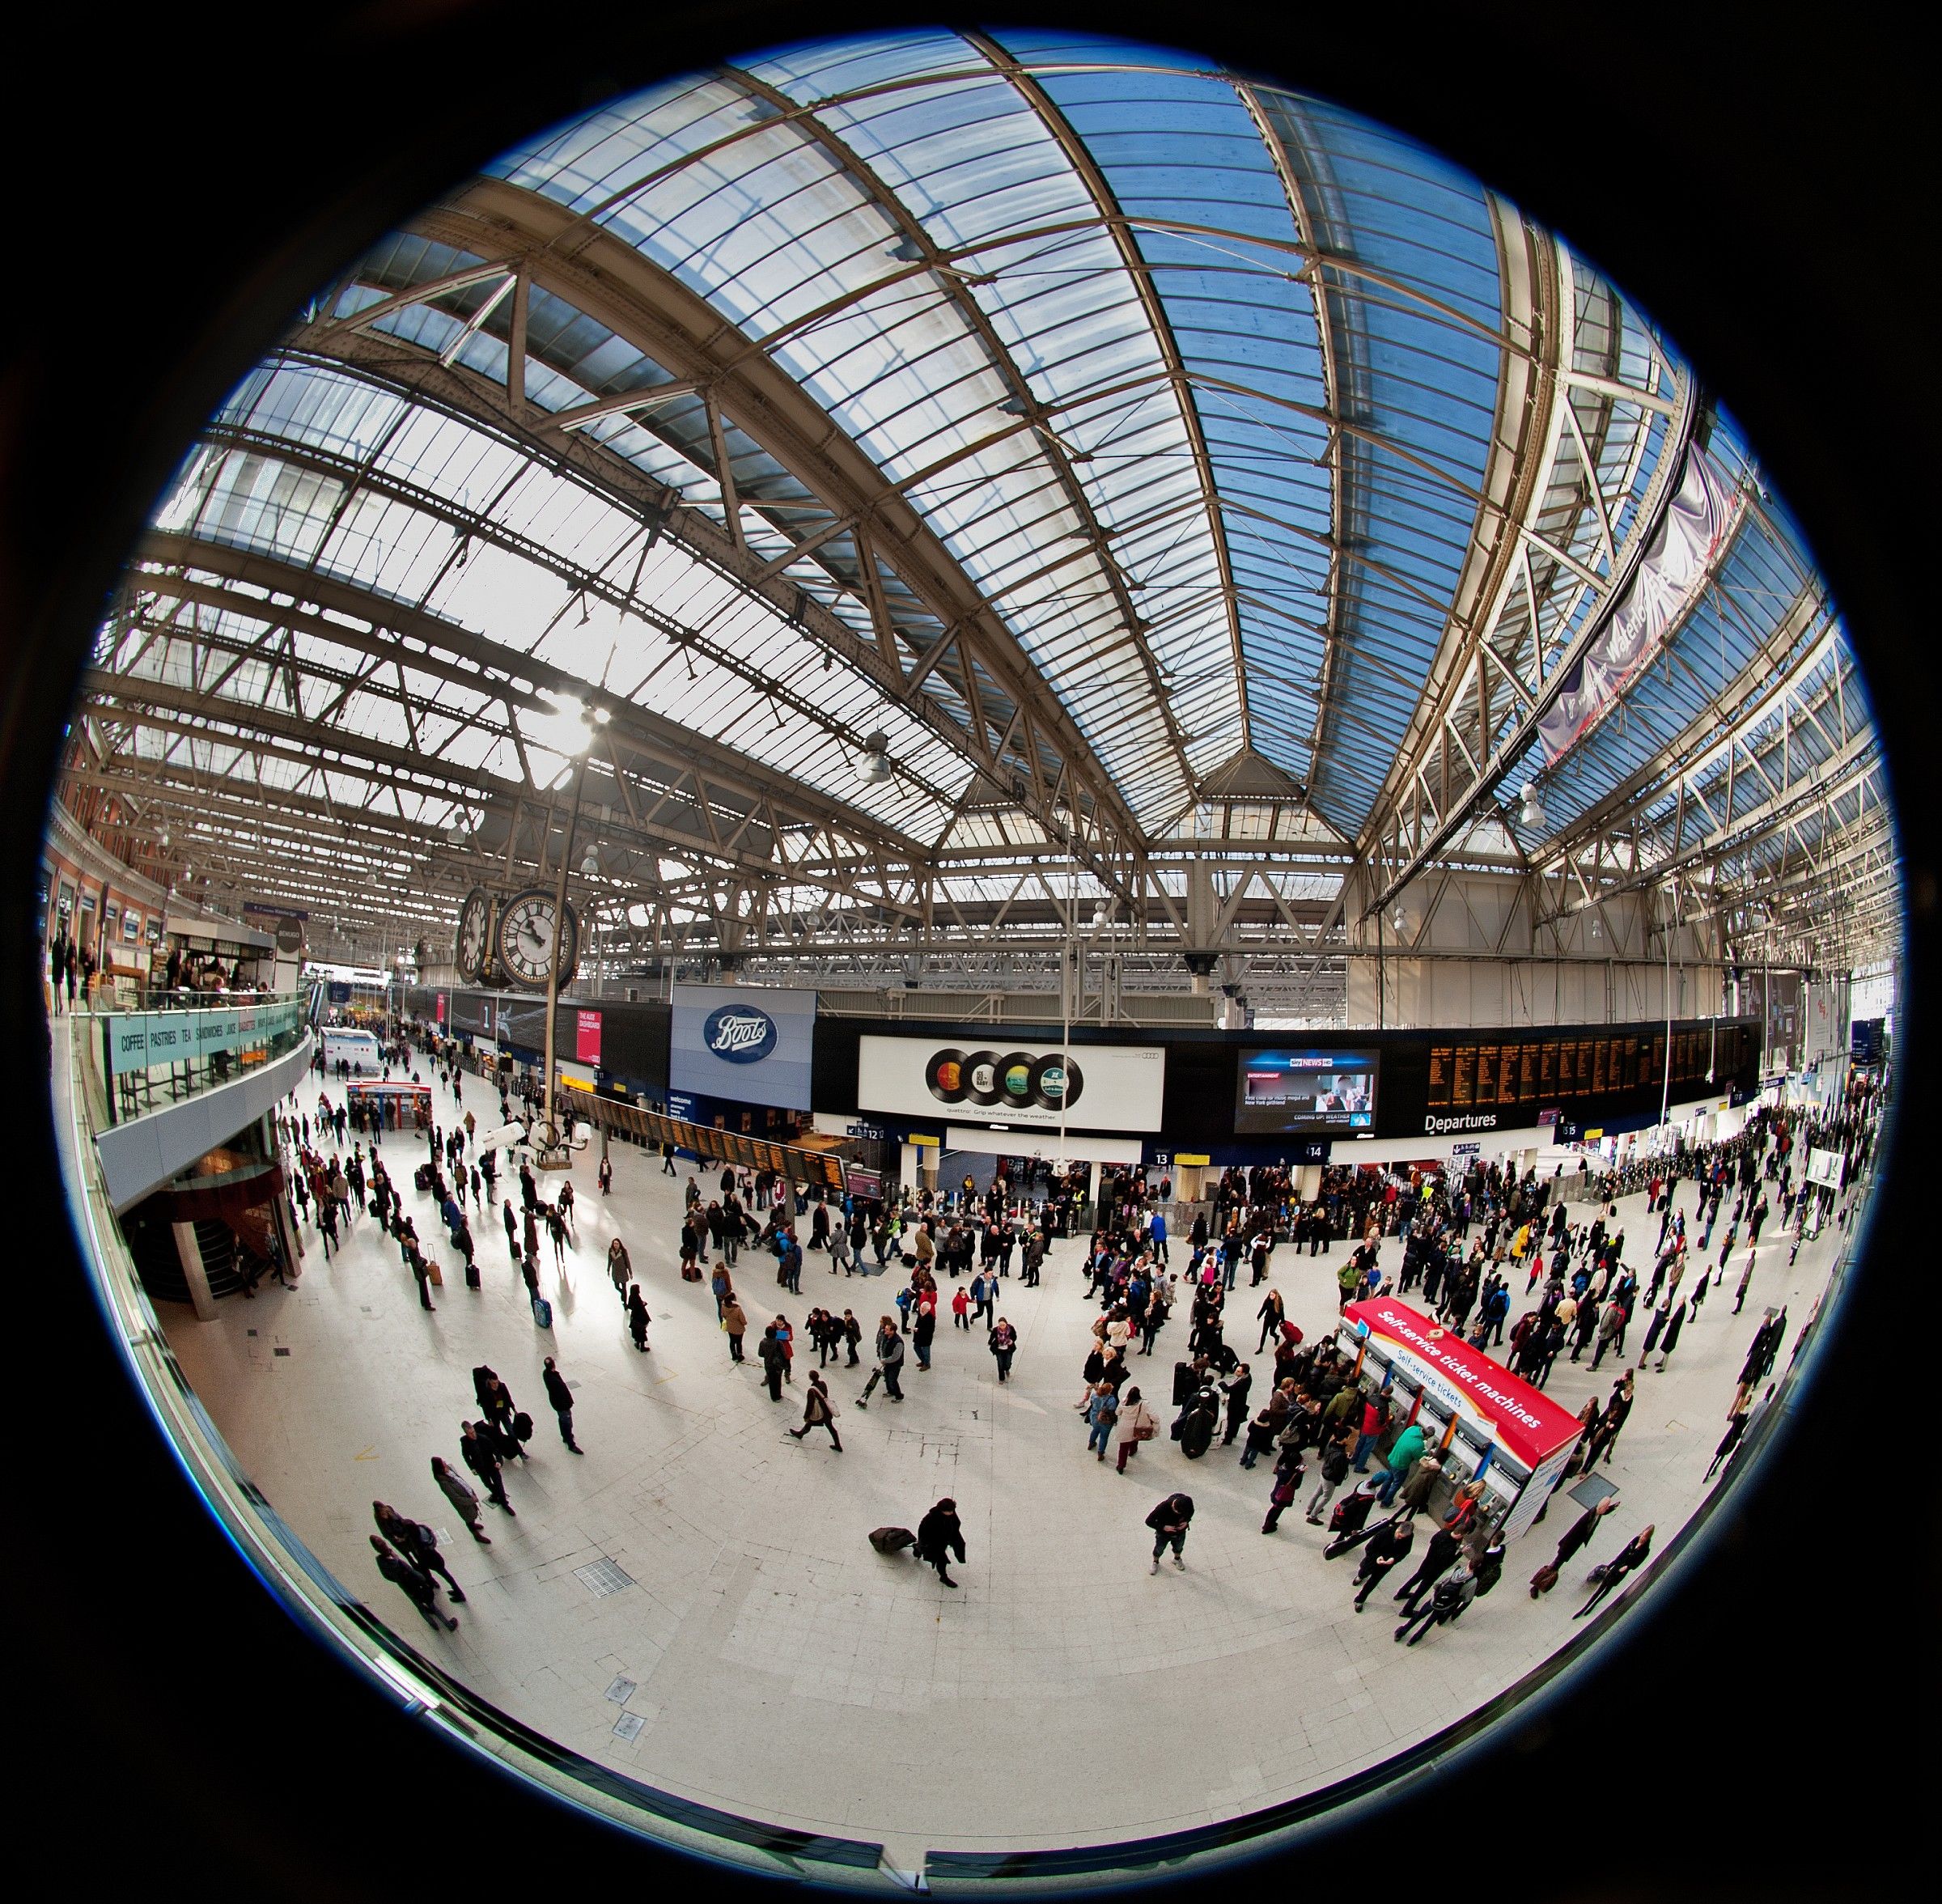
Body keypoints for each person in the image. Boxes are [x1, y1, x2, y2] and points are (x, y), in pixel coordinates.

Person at [374, 1502, 465, 1603]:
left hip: (430, 1559)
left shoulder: (418, 1542)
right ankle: (451, 1589)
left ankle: (457, 1592)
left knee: (443, 1574)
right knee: (441, 1574)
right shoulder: (418, 1535)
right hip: (428, 1558)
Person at [371, 1533, 456, 1632]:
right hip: (417, 1585)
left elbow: (386, 1576)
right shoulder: (399, 1563)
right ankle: (448, 1625)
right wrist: (424, 1581)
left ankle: (433, 1625)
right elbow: (415, 1573)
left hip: (405, 1587)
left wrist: (398, 1580)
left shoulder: (380, 1561)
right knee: (431, 1604)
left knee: (420, 1607)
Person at [1533, 1496, 1617, 1594]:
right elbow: (1573, 1534)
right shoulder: (1588, 1517)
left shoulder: (1598, 1512)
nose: (1607, 1509)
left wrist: (1613, 1507)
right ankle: (1536, 1586)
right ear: (1601, 1507)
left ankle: (1541, 1583)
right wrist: (1563, 1552)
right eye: (1606, 1507)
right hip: (1567, 1548)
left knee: (1555, 1566)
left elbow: (1604, 1511)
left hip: (1572, 1547)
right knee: (1553, 1567)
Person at [1573, 1524, 1654, 1618]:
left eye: (1645, 1538)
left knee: (1608, 1588)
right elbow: (1623, 1553)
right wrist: (1611, 1565)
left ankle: (1594, 1604)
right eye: (1643, 1536)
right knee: (1601, 1587)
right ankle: (1585, 1608)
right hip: (1617, 1566)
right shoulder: (1636, 1540)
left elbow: (1637, 1564)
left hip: (1622, 1571)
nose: (1642, 1539)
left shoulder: (1645, 1550)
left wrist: (1628, 1567)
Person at [1395, 1563, 1478, 1646]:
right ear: (1479, 1566)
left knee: (1419, 1615)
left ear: (1469, 1562)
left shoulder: (1454, 1571)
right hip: (1446, 1605)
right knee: (1430, 1622)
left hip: (1435, 1600)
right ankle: (1415, 1639)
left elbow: (1437, 1584)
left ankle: (1401, 1632)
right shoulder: (1473, 1581)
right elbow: (1467, 1598)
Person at [1352, 1515, 1414, 1609]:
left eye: (1403, 1537)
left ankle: (1359, 1600)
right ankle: (1360, 1577)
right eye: (1399, 1535)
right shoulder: (1384, 1533)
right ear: (1398, 1529)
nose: (1400, 1538)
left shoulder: (1408, 1537)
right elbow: (1369, 1548)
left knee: (1372, 1583)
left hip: (1385, 1565)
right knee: (1364, 1571)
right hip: (1372, 1560)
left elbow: (1405, 1551)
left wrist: (1394, 1559)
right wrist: (1377, 1557)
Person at [430, 1455, 490, 1545]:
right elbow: (456, 1498)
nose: (445, 1462)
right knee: (469, 1518)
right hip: (464, 1504)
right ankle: (475, 1533)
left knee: (473, 1513)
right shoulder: (444, 1483)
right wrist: (471, 1500)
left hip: (469, 1496)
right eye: (442, 1463)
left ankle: (473, 1525)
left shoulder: (449, 1470)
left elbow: (460, 1480)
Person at [917, 1497, 966, 1588]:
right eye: (949, 1511)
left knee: (960, 1544)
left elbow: (955, 1523)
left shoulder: (950, 1513)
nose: (952, 1513)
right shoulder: (930, 1519)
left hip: (946, 1537)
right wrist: (925, 1543)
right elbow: (923, 1532)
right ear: (942, 1510)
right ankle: (944, 1577)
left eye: (952, 1510)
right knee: (941, 1560)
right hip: (934, 1543)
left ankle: (917, 1549)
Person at [787, 1370, 842, 1452]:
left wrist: (806, 1416)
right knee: (831, 1428)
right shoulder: (823, 1383)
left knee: (809, 1423)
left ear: (810, 1378)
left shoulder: (811, 1391)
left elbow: (810, 1405)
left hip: (820, 1412)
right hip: (827, 1411)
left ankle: (800, 1434)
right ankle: (838, 1445)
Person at [856, 1317, 904, 1406]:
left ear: (892, 1331)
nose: (884, 1330)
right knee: (887, 1378)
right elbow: (881, 1347)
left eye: (887, 1329)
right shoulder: (885, 1335)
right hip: (886, 1362)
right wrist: (882, 1358)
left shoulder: (898, 1342)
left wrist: (885, 1360)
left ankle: (899, 1395)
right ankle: (890, 1391)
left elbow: (895, 1357)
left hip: (895, 1365)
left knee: (892, 1379)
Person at [1146, 1491, 1195, 1573]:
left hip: (1180, 1533)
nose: (1172, 1507)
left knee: (1179, 1548)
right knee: (1159, 1549)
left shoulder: (1188, 1505)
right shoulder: (1163, 1507)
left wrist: (1187, 1521)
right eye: (1173, 1507)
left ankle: (1177, 1559)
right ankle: (1155, 1562)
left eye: (1175, 1510)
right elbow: (1149, 1521)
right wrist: (1163, 1527)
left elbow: (1191, 1512)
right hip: (1163, 1534)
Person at [541, 1355, 582, 1454]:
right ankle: (571, 1444)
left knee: (561, 1419)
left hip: (556, 1404)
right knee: (568, 1423)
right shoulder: (555, 1381)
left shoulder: (546, 1374)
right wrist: (568, 1403)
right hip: (562, 1405)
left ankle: (564, 1436)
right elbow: (562, 1392)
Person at [1114, 1385, 1155, 1473]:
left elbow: (1117, 1412)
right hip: (1136, 1426)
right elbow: (1152, 1415)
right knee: (1135, 1438)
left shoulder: (1124, 1401)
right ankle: (1132, 1450)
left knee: (1123, 1447)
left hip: (1124, 1426)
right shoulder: (1143, 1403)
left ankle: (1121, 1466)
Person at [1083, 1380, 1120, 1461]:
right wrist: (1114, 1421)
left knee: (1095, 1430)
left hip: (1094, 1417)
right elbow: (1112, 1411)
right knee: (1104, 1436)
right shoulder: (1112, 1400)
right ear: (1109, 1391)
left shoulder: (1095, 1396)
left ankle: (1091, 1443)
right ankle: (1100, 1453)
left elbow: (1092, 1403)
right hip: (1105, 1420)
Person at [989, 1317, 1018, 1384]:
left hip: (1008, 1349)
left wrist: (1011, 1341)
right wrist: (990, 1342)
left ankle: (1007, 1369)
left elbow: (1014, 1336)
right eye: (1000, 1325)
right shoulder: (996, 1330)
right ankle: (1001, 1378)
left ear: (1006, 1324)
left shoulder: (1011, 1329)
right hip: (999, 1349)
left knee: (1007, 1363)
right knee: (1000, 1363)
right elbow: (992, 1337)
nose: (1002, 1327)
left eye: (1003, 1325)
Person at [722, 1294, 748, 1363]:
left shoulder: (723, 1306)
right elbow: (743, 1320)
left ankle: (733, 1354)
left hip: (730, 1327)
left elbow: (723, 1315)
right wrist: (745, 1323)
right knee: (739, 1342)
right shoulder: (737, 1309)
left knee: (732, 1341)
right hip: (739, 1328)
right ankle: (739, 1355)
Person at [626, 1284, 651, 1353]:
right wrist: (644, 1304)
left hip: (635, 1317)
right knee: (642, 1332)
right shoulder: (637, 1297)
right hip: (641, 1317)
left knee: (637, 1331)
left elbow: (630, 1306)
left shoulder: (631, 1296)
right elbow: (640, 1306)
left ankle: (637, 1344)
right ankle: (642, 1347)